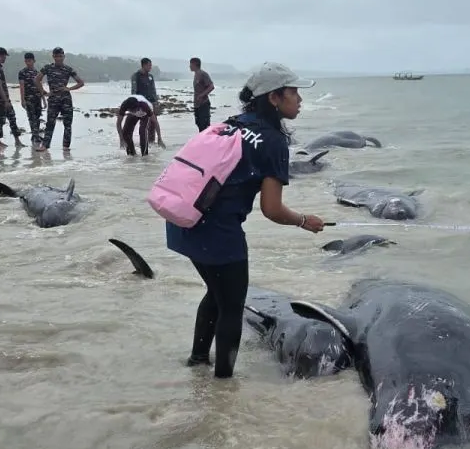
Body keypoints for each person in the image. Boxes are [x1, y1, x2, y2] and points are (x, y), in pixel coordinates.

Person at [166, 62, 326, 379]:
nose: (300, 99)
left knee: (216, 292)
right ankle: (223, 384)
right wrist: (305, 220)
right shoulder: (273, 141)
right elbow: (272, 209)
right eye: (293, 92)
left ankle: (198, 361)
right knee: (231, 306)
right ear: (274, 98)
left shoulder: (231, 123)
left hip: (183, 221)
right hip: (218, 232)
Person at [35, 46, 84, 151]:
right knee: (50, 123)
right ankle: (45, 145)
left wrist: (69, 88)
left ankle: (66, 148)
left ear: (64, 56)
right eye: (56, 56)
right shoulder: (48, 68)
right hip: (53, 99)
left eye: (60, 56)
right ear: (53, 56)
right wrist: (43, 92)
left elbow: (81, 82)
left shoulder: (68, 69)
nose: (58, 58)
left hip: (66, 99)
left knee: (67, 124)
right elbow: (37, 79)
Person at [0, 46, 25, 148]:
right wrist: (5, 100)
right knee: (2, 118)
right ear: (0, 55)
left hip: (2, 97)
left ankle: (17, 140)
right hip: (1, 97)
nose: (5, 58)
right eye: (4, 56)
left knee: (10, 117)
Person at [131, 57, 165, 147]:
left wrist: (156, 102)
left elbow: (153, 90)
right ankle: (144, 143)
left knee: (153, 123)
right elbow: (133, 91)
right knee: (144, 124)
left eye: (151, 65)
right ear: (144, 65)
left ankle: (152, 142)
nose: (150, 67)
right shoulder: (136, 76)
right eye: (149, 65)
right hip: (142, 104)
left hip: (152, 103)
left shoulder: (150, 76)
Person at [17, 52, 45, 148]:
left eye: (30, 61)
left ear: (34, 61)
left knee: (37, 118)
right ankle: (36, 135)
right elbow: (22, 86)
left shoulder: (37, 73)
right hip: (28, 98)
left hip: (37, 98)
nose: (28, 63)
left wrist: (43, 99)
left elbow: (40, 86)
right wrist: (22, 100)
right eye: (26, 61)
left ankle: (34, 135)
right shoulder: (22, 72)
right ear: (25, 61)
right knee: (31, 117)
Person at [190, 56, 214, 131]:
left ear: (195, 64)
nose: (189, 66)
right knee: (199, 124)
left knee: (205, 126)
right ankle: (201, 142)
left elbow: (211, 86)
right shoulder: (196, 74)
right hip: (197, 105)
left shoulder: (203, 74)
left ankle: (207, 142)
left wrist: (202, 95)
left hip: (204, 104)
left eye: (190, 64)